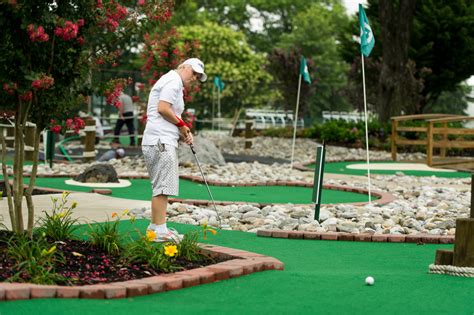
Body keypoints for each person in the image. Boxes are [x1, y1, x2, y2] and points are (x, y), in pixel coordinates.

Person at [141, 58, 207, 243]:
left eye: (198, 76)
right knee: (163, 186)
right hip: (161, 140)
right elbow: (163, 108)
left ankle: (155, 227)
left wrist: (181, 128)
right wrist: (182, 124)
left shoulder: (170, 80)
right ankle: (160, 231)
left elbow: (168, 112)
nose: (194, 78)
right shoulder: (173, 81)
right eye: (193, 73)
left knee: (161, 186)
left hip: (158, 138)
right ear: (184, 66)